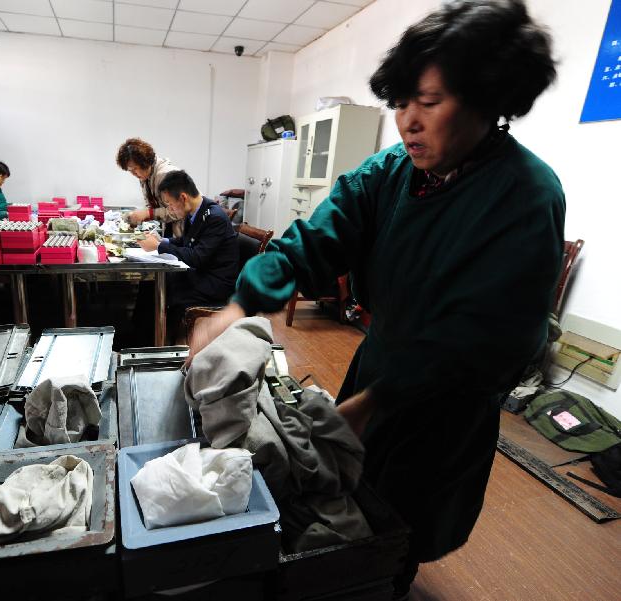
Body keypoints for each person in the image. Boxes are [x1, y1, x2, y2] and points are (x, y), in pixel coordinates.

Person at [188, 1, 563, 597]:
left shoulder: (523, 196)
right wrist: (238, 306)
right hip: (382, 362)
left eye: (430, 103)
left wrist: (378, 401)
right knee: (344, 493)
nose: (408, 121)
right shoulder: (391, 171)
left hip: (448, 400)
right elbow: (316, 239)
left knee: (400, 524)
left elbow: (491, 338)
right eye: (401, 102)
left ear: (489, 101)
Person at [137, 170, 238, 339]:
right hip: (202, 274)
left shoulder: (214, 217)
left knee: (162, 288)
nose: (170, 209)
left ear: (183, 197)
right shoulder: (197, 211)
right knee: (151, 285)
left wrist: (159, 246)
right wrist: (162, 241)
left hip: (214, 284)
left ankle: (157, 340)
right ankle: (145, 337)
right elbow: (186, 241)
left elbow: (197, 256)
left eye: (170, 204)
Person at [115, 138, 184, 238]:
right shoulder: (145, 177)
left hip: (188, 232)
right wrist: (138, 217)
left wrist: (148, 214)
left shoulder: (166, 175)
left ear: (145, 162)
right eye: (130, 170)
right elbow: (153, 206)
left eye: (134, 169)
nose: (133, 174)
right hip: (173, 232)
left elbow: (181, 210)